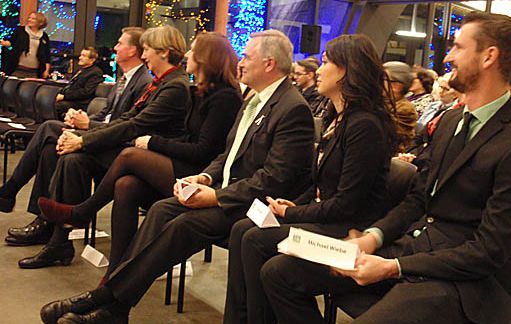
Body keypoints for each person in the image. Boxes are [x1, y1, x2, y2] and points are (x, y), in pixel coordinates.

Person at [261, 11, 511, 324]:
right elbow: (417, 200)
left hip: (461, 282)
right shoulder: (452, 121)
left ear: (489, 56)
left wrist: (393, 267)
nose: (449, 56)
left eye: (458, 47)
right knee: (279, 272)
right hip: (410, 249)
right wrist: (373, 237)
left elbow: (488, 252)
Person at [39, 29, 315, 323]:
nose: (241, 62)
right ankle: (115, 308)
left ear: (269, 64)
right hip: (227, 190)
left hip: (252, 205)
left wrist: (217, 196)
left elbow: (274, 179)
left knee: (183, 223)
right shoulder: (254, 100)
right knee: (160, 209)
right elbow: (227, 154)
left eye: (247, 57)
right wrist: (205, 179)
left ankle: (107, 298)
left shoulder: (292, 108)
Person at [223, 34, 401, 324]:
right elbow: (321, 187)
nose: (319, 69)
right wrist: (293, 204)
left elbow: (347, 204)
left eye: (327, 62)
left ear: (345, 71)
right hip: (329, 218)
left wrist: (291, 212)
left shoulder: (364, 125)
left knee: (256, 240)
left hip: (350, 229)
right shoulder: (337, 117)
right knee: (245, 228)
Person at [37, 32, 243, 281]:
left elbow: (204, 151)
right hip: (182, 162)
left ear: (207, 58)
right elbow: (174, 134)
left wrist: (154, 144)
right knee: (126, 185)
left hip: (200, 174)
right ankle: (116, 272)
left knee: (129, 155)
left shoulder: (223, 98)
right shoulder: (199, 91)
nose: (187, 55)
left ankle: (82, 212)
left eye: (193, 51)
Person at [18, 25, 191, 269]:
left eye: (148, 50)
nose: (144, 56)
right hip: (132, 148)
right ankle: (60, 241)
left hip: (149, 157)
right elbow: (124, 120)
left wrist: (83, 139)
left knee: (70, 149)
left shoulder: (174, 86)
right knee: (71, 157)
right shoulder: (161, 82)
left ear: (163, 53)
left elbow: (134, 126)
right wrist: (80, 136)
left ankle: (73, 219)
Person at [0, 27, 151, 248]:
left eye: (120, 43)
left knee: (50, 128)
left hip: (115, 144)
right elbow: (106, 113)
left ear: (133, 50)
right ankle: (45, 220)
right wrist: (80, 118)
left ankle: (12, 192)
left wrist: (87, 125)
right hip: (102, 133)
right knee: (52, 147)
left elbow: (126, 127)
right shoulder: (124, 78)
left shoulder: (143, 82)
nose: (115, 47)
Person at [54, 47, 105, 118]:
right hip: (71, 99)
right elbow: (70, 86)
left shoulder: (96, 73)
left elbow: (86, 92)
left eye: (84, 56)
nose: (80, 57)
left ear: (92, 60)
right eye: (81, 55)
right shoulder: (80, 70)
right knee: (49, 101)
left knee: (56, 106)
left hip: (81, 103)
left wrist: (64, 96)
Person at [0, 12, 51, 78]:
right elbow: (11, 42)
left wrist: (46, 71)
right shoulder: (20, 31)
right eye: (29, 18)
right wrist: (4, 43)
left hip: (35, 72)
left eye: (33, 18)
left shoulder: (44, 36)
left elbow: (47, 56)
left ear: (40, 22)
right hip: (18, 70)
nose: (29, 19)